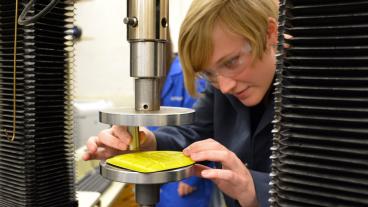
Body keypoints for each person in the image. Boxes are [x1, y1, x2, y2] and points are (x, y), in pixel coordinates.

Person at [83, 0, 279, 206]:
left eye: (231, 61)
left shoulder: (313, 94)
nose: (225, 86)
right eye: (209, 73)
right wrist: (147, 143)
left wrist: (255, 188)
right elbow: (193, 133)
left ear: (270, 33)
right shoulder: (223, 86)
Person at [152, 56, 214, 207]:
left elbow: (199, 129)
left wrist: (189, 179)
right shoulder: (157, 75)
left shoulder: (183, 73)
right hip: (160, 161)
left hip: (185, 169)